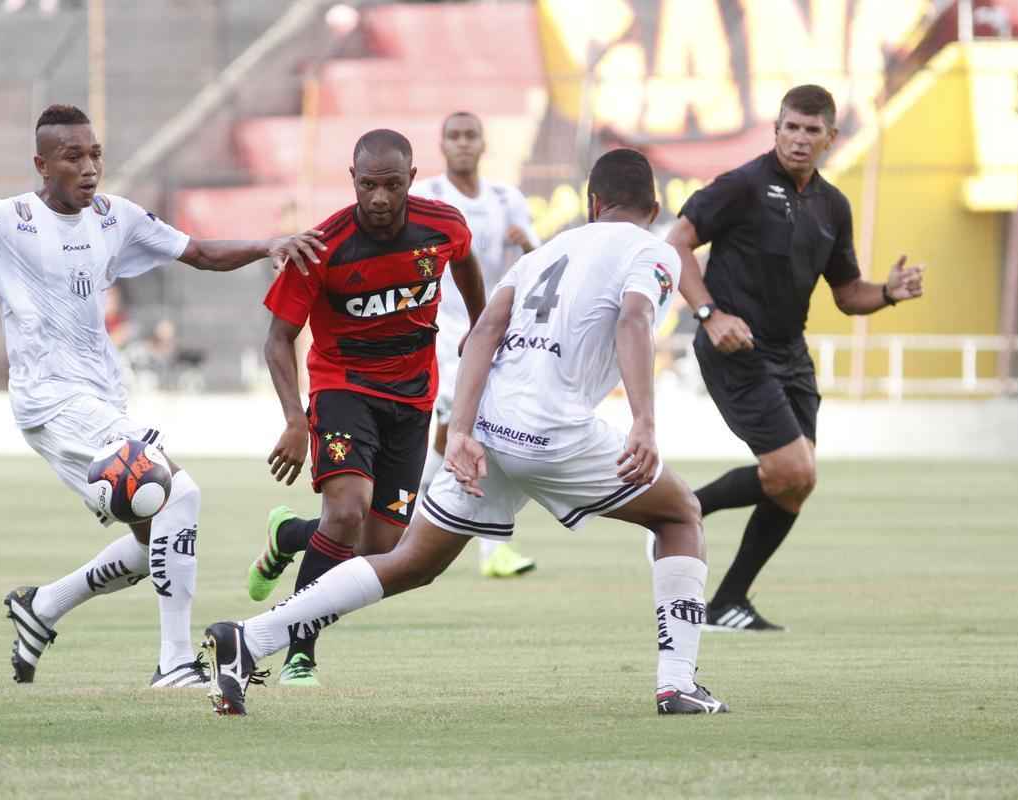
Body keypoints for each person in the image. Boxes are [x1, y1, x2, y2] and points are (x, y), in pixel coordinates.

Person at [204, 148, 729, 716]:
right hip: (552, 428)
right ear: (653, 208)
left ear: (591, 203)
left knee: (410, 562)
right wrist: (645, 423)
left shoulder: (545, 252)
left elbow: (482, 334)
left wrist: (460, 430)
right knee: (679, 515)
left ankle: (249, 639)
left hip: (490, 427)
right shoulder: (654, 251)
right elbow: (633, 318)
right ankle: (677, 684)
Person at [0, 104, 324, 687]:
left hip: (101, 400)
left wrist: (265, 245)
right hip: (50, 401)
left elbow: (198, 252)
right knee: (179, 493)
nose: (90, 166)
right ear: (42, 164)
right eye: (73, 156)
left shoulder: (113, 218)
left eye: (95, 153)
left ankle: (43, 606)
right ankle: (174, 664)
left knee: (157, 532)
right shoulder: (3, 223)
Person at [665, 85, 925, 631]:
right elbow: (676, 243)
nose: (800, 139)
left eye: (812, 130)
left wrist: (889, 292)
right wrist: (709, 314)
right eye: (791, 127)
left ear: (831, 137)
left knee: (797, 483)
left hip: (790, 354)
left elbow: (848, 293)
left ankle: (728, 600)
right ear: (776, 129)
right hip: (734, 348)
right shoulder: (742, 186)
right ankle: (679, 510)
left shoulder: (833, 205)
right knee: (793, 468)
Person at [245, 128, 486, 687]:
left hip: (413, 396)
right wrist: (294, 420)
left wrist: (479, 326)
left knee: (379, 548)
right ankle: (299, 648)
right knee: (347, 512)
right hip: (343, 388)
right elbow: (278, 338)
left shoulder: (443, 226)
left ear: (411, 180)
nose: (379, 198)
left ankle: (290, 538)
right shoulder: (323, 246)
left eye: (392, 185)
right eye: (369, 185)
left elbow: (468, 262)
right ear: (352, 179)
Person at [411, 110, 541, 579]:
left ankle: (411, 501)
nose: (463, 144)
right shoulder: (427, 196)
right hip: (440, 330)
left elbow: (540, 262)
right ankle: (479, 542)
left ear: (484, 145)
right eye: (454, 136)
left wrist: (527, 242)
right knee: (465, 426)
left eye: (471, 136)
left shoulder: (507, 200)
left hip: (490, 331)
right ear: (442, 145)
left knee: (467, 430)